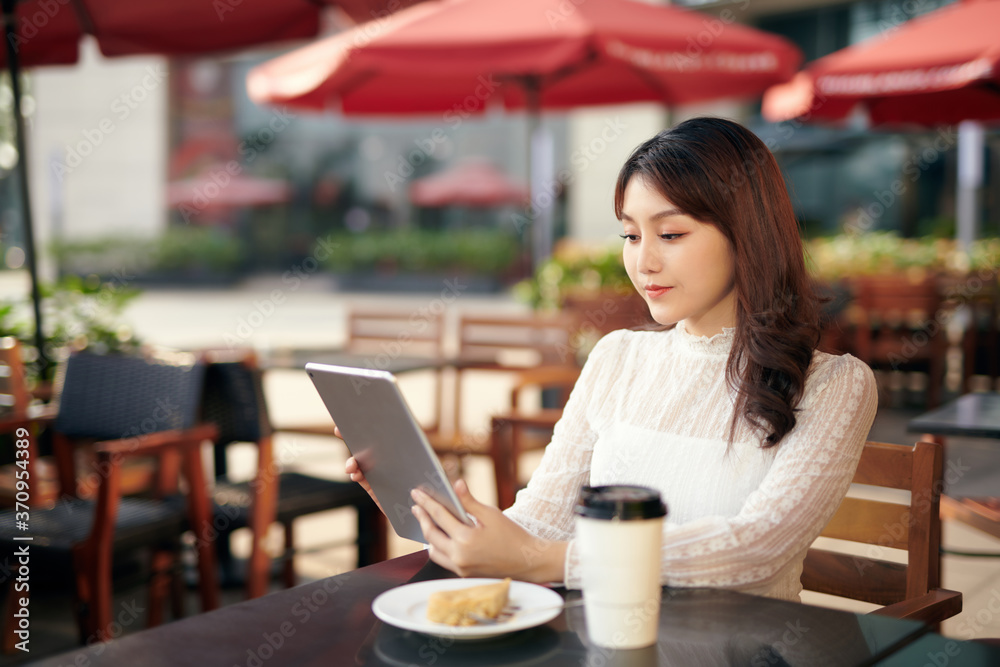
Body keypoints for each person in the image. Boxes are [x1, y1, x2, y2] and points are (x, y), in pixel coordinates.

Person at [345, 117, 877, 601]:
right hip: (604, 639)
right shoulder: (617, 357)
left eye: (670, 234)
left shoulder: (835, 385)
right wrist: (440, 515)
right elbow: (544, 518)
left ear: (748, 233)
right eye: (630, 234)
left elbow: (757, 550)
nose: (643, 261)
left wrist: (540, 561)